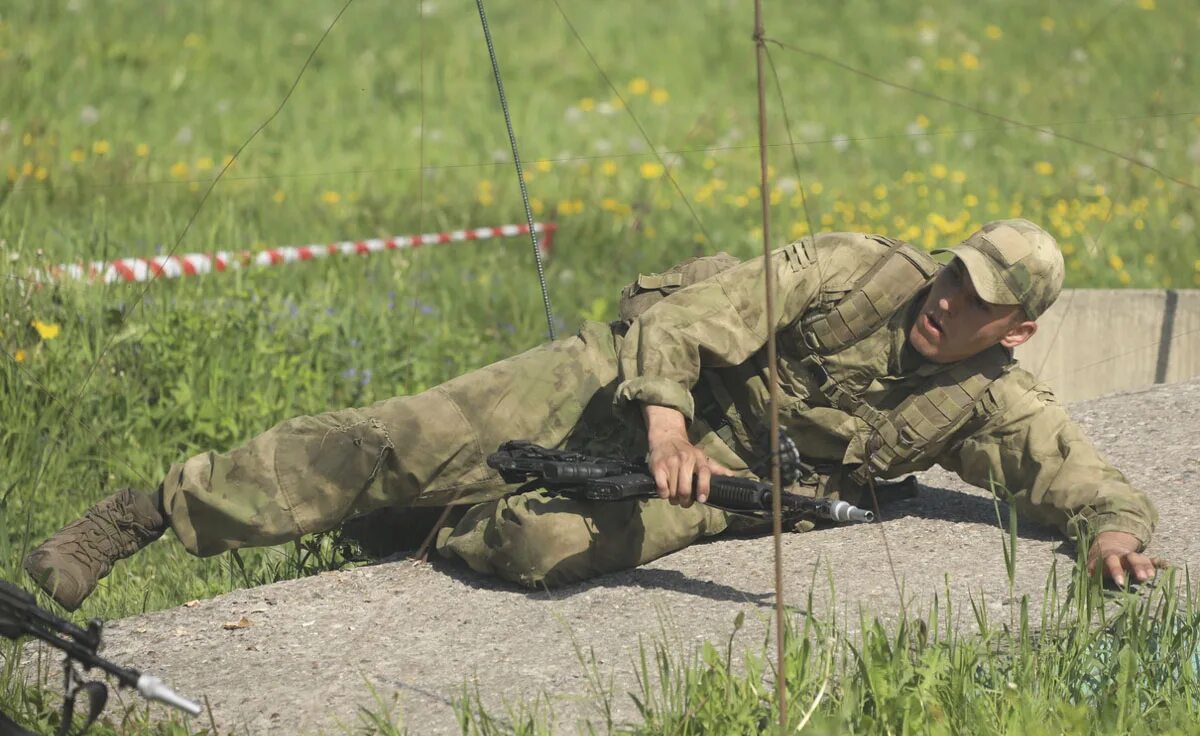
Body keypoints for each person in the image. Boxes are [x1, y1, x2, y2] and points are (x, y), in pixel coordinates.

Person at [23, 218, 1163, 611]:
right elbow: (693, 320)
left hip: (713, 479)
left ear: (1014, 331)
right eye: (956, 272)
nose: (949, 298)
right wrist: (662, 414)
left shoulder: (992, 399)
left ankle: (408, 524)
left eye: (981, 301)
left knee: (539, 545)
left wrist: (1114, 534)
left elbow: (1079, 475)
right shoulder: (853, 269)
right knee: (393, 439)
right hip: (622, 381)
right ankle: (145, 514)